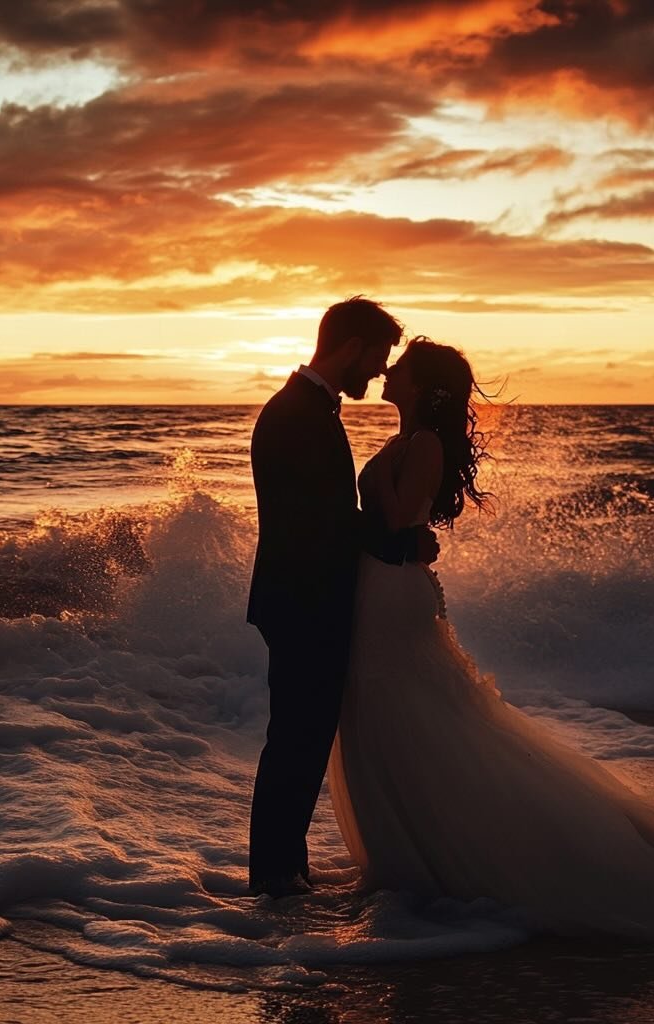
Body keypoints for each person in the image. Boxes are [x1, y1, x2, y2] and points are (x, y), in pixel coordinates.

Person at [327, 337, 654, 939]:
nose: (389, 370)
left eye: (400, 368)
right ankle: (412, 856)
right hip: (379, 586)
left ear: (422, 385)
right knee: (394, 716)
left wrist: (352, 511)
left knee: (412, 715)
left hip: (394, 593)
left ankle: (454, 857)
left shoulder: (425, 443)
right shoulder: (406, 440)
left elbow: (405, 516)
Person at [247, 297, 435, 898]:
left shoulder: (306, 408)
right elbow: (324, 521)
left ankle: (284, 869)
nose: (379, 371)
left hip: (304, 597)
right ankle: (275, 877)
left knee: (301, 738)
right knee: (295, 741)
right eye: (377, 356)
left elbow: (327, 517)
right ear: (351, 346)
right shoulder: (297, 414)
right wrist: (399, 544)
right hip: (303, 600)